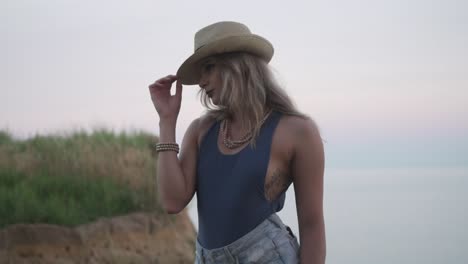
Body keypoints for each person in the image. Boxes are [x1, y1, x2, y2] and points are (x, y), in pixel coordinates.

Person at [149, 21, 325, 264]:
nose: (201, 81)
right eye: (200, 72)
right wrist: (166, 121)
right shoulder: (201, 131)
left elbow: (312, 224)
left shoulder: (297, 131)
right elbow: (172, 201)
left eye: (209, 68)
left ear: (239, 66)